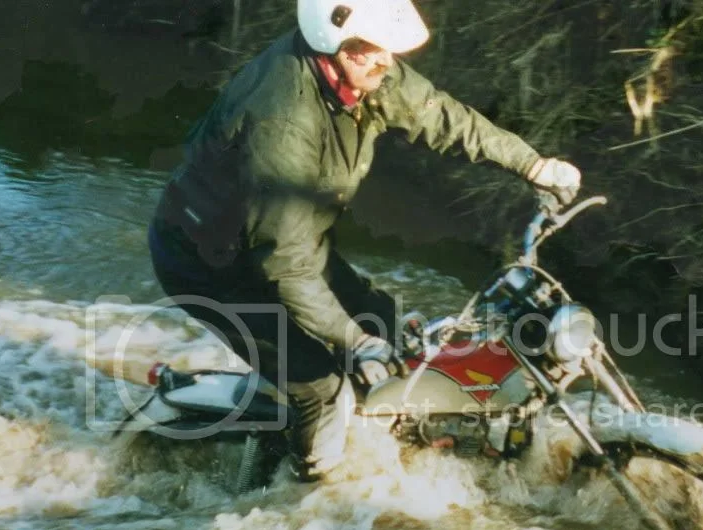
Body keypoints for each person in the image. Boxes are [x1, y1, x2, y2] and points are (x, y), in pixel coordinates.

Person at [148, 0, 582, 481]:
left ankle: (405, 435)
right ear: (334, 45)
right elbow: (285, 266)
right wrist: (355, 340)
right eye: (372, 52)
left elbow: (442, 115)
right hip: (212, 264)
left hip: (287, 239)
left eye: (387, 52)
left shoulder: (361, 69)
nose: (386, 63)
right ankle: (306, 488)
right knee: (321, 385)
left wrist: (532, 164)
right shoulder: (284, 120)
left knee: (397, 332)